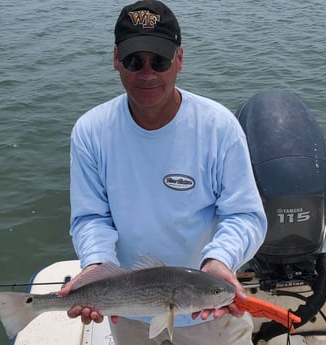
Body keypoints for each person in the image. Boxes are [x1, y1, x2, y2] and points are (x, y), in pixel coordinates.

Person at [59, 1, 267, 344]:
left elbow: (245, 215)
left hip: (209, 313)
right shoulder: (90, 130)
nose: (147, 73)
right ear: (115, 60)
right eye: (133, 61)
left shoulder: (219, 128)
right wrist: (97, 264)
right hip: (128, 310)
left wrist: (220, 259)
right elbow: (91, 218)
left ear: (180, 59)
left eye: (159, 60)